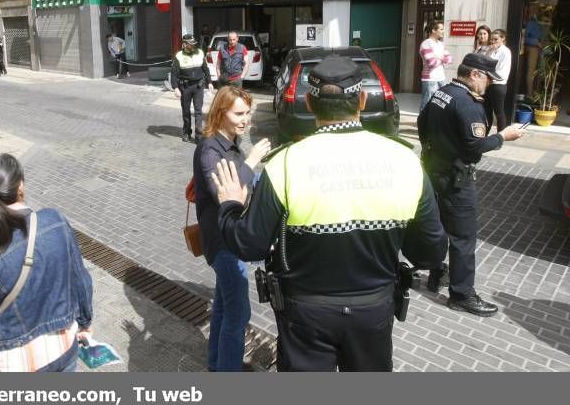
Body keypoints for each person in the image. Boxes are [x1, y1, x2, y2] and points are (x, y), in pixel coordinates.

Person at [212, 56, 448, 371]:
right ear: (362, 100)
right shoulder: (405, 161)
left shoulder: (285, 163)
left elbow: (250, 245)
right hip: (373, 313)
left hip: (305, 316)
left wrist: (230, 204)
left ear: (309, 102)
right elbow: (431, 253)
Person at [0, 154, 93, 372]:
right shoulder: (55, 220)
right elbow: (80, 279)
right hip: (64, 349)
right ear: (20, 185)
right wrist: (85, 321)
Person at [418, 53, 523, 316]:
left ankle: (437, 274)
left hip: (434, 171)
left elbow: (422, 123)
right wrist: (502, 137)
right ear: (475, 74)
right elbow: (474, 148)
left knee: (440, 227)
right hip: (456, 179)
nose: (488, 85)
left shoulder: (442, 93)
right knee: (463, 237)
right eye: (487, 79)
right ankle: (462, 294)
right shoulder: (467, 103)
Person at [193, 86, 271, 371]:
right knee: (238, 313)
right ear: (220, 112)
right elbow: (226, 196)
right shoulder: (209, 150)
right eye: (239, 113)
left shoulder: (232, 143)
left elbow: (248, 185)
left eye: (248, 113)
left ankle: (217, 364)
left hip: (233, 238)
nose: (245, 119)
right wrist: (252, 161)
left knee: (225, 307)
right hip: (222, 243)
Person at [171, 34, 214, 143]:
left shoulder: (200, 53)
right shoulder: (179, 56)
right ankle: (187, 133)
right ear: (184, 44)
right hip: (185, 87)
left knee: (198, 111)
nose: (193, 46)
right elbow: (174, 74)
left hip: (199, 86)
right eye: (191, 44)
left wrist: (209, 82)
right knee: (186, 111)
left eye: (194, 44)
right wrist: (175, 87)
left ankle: (199, 136)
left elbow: (206, 69)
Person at [419, 21, 452, 111]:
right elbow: (432, 63)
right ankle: (423, 123)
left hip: (441, 78)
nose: (443, 31)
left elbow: (449, 60)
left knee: (439, 104)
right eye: (441, 29)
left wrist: (438, 57)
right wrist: (442, 58)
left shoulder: (441, 44)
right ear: (433, 30)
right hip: (430, 79)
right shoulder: (426, 44)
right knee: (427, 103)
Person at [484, 29, 512, 133]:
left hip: (498, 85)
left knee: (499, 112)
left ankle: (501, 136)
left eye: (495, 39)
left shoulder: (506, 52)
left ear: (502, 39)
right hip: (488, 84)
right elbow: (484, 63)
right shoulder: (490, 50)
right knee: (487, 110)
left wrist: (489, 76)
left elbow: (502, 73)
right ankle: (485, 133)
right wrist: (489, 51)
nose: (493, 41)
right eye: (491, 39)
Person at [523, 6, 542, 96]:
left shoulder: (535, 22)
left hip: (537, 48)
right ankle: (529, 94)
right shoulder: (530, 23)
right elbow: (524, 38)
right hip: (532, 48)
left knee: (536, 72)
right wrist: (536, 42)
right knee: (531, 72)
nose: (537, 11)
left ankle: (534, 93)